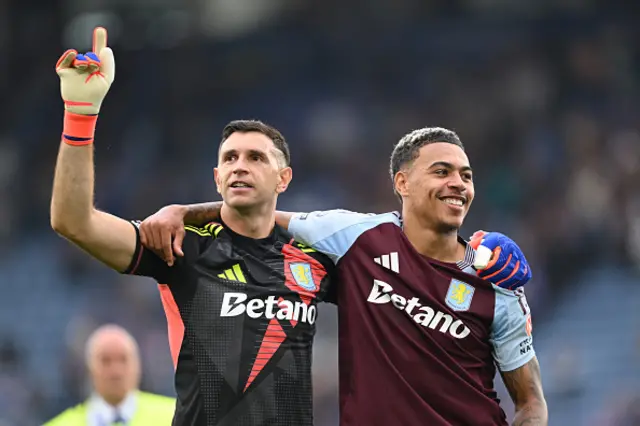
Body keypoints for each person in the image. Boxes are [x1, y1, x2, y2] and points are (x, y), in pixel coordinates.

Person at [140, 127, 548, 425]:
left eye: (466, 175)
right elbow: (255, 211)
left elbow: (531, 404)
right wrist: (181, 212)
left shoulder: (498, 279)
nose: (457, 183)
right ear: (401, 183)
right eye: (442, 171)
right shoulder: (356, 236)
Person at [50, 28, 339, 425]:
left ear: (283, 178)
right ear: (218, 178)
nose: (241, 164)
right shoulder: (181, 245)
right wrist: (80, 115)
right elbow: (73, 222)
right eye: (231, 158)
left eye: (256, 157)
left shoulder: (315, 258)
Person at [44, 324, 175, 426]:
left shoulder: (175, 418)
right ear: (89, 368)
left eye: (123, 360)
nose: (115, 371)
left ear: (138, 366)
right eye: (105, 361)